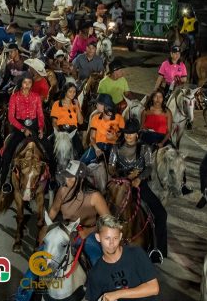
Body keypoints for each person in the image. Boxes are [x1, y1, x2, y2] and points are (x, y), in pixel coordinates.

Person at [15, 161, 110, 301]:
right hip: (64, 231)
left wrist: (89, 231)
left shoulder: (95, 196)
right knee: (36, 263)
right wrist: (45, 229)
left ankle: (101, 295)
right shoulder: (62, 191)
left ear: (81, 179)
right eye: (66, 176)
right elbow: (53, 210)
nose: (66, 180)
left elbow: (108, 221)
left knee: (98, 263)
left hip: (87, 234)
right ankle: (21, 297)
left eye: (70, 177)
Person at [108, 119, 167, 263]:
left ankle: (157, 249)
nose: (129, 136)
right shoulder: (116, 148)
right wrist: (122, 173)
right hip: (120, 184)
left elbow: (149, 167)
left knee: (160, 213)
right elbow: (111, 167)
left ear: (137, 134)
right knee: (104, 208)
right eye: (127, 133)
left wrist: (139, 178)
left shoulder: (144, 148)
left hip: (139, 185)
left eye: (132, 133)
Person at [86, 214, 159, 301]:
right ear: (98, 237)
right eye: (107, 238)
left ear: (120, 236)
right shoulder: (95, 274)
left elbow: (154, 288)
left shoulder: (136, 254)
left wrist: (117, 294)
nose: (111, 243)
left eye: (115, 238)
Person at [0, 74, 46, 194]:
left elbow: (40, 115)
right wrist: (22, 129)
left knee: (48, 150)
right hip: (19, 126)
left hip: (34, 127)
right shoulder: (14, 97)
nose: (27, 85)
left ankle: (50, 181)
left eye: (29, 83)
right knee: (8, 153)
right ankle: (5, 182)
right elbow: (11, 117)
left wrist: (40, 128)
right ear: (21, 84)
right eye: (25, 83)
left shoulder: (36, 97)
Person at [82, 94, 125, 165]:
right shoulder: (95, 118)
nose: (96, 105)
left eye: (97, 104)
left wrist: (114, 138)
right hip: (98, 145)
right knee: (83, 162)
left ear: (104, 106)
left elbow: (123, 137)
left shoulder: (119, 118)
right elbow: (92, 137)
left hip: (113, 147)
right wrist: (96, 149)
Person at [50, 83, 84, 153]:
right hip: (60, 131)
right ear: (65, 92)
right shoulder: (57, 104)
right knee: (49, 147)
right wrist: (58, 134)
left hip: (73, 132)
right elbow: (54, 122)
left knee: (80, 150)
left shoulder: (76, 104)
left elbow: (80, 122)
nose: (73, 94)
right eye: (70, 91)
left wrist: (77, 107)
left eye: (74, 92)